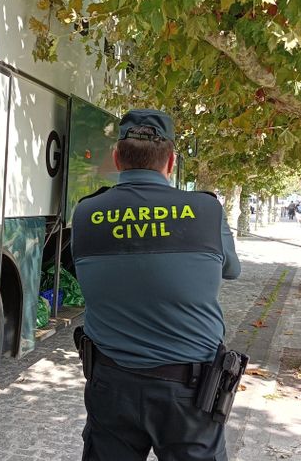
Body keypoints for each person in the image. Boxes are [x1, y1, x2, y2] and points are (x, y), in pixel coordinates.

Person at [71, 109, 242, 461]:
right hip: (189, 394)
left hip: (110, 382)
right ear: (171, 162)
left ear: (117, 159)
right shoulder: (207, 210)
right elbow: (232, 270)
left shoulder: (86, 212)